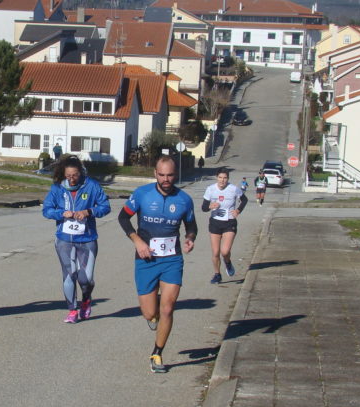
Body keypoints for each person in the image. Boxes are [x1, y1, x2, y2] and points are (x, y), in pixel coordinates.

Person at [118, 155, 197, 373]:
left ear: (175, 175)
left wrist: (190, 238)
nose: (165, 179)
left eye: (170, 175)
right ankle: (154, 311)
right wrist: (137, 241)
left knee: (168, 308)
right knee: (149, 312)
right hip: (146, 259)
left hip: (172, 259)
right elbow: (123, 218)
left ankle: (157, 353)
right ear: (155, 174)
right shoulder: (142, 194)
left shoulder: (184, 199)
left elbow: (192, 226)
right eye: (161, 175)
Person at [42, 156, 111, 323]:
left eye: (75, 175)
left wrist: (88, 212)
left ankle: (86, 299)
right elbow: (46, 210)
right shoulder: (57, 188)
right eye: (68, 176)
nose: (72, 179)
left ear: (81, 172)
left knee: (85, 279)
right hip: (64, 239)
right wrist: (61, 213)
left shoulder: (92, 186)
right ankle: (72, 310)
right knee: (69, 275)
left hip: (87, 239)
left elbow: (105, 207)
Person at [203, 168, 248, 284]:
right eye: (220, 178)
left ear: (228, 179)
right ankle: (217, 274)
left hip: (229, 222)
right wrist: (210, 206)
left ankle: (227, 262)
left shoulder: (233, 189)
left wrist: (238, 211)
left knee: (225, 251)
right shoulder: (210, 189)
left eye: (225, 178)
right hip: (215, 223)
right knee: (216, 252)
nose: (222, 180)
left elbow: (244, 200)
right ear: (216, 177)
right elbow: (203, 207)